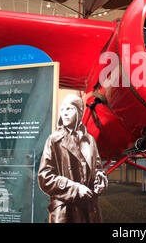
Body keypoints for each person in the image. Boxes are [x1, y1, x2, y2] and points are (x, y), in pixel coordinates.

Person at [38, 94, 108, 223]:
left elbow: (98, 169)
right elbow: (45, 177)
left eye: (69, 109)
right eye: (62, 109)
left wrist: (101, 180)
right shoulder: (54, 140)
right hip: (66, 210)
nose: (64, 113)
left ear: (79, 112)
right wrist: (75, 189)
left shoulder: (90, 141)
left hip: (89, 209)